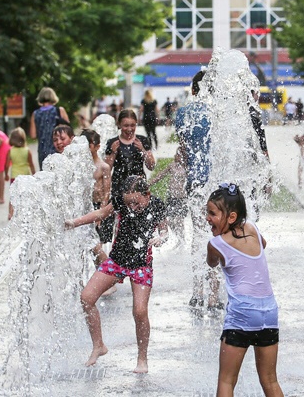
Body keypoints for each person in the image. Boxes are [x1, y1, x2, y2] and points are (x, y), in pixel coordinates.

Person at [65, 175, 168, 373]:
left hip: (141, 265)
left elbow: (165, 231)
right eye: (129, 203)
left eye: (136, 203)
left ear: (147, 195)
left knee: (140, 311)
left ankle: (142, 359)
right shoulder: (121, 201)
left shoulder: (156, 205)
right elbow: (101, 214)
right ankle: (99, 345)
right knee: (86, 298)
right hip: (117, 262)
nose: (132, 207)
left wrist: (160, 238)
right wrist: (75, 222)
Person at [205, 182, 283, 397]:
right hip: (268, 313)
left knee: (227, 381)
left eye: (212, 214)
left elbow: (211, 263)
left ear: (230, 217)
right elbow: (263, 244)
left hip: (242, 314)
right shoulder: (252, 228)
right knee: (270, 380)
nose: (207, 219)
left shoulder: (217, 243)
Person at [176, 71, 218, 308]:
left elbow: (183, 150)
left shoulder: (183, 113)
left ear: (193, 90)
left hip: (195, 182)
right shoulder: (219, 112)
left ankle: (197, 291)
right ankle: (214, 294)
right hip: (217, 183)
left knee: (198, 235)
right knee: (218, 235)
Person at [104, 110, 156, 205]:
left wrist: (143, 150)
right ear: (119, 125)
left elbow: (151, 166)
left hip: (138, 188)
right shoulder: (112, 142)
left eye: (132, 125)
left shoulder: (142, 140)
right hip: (119, 188)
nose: (129, 129)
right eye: (126, 125)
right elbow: (106, 170)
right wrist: (113, 153)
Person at [80, 128, 113, 246]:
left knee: (101, 241)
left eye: (89, 145)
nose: (86, 148)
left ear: (97, 147)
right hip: (87, 206)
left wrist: (101, 213)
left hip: (99, 206)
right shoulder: (81, 166)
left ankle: (104, 264)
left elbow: (107, 192)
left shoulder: (103, 167)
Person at [29, 87, 70, 169]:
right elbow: (69, 130)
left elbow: (33, 135)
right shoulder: (59, 110)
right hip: (58, 148)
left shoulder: (35, 114)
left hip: (42, 151)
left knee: (45, 176)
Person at [6, 127, 35, 220]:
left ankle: (11, 213)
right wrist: (34, 175)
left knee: (13, 195)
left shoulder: (10, 151)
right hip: (25, 177)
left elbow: (6, 165)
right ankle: (26, 213)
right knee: (25, 195)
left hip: (14, 176)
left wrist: (6, 174)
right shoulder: (27, 151)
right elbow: (31, 164)